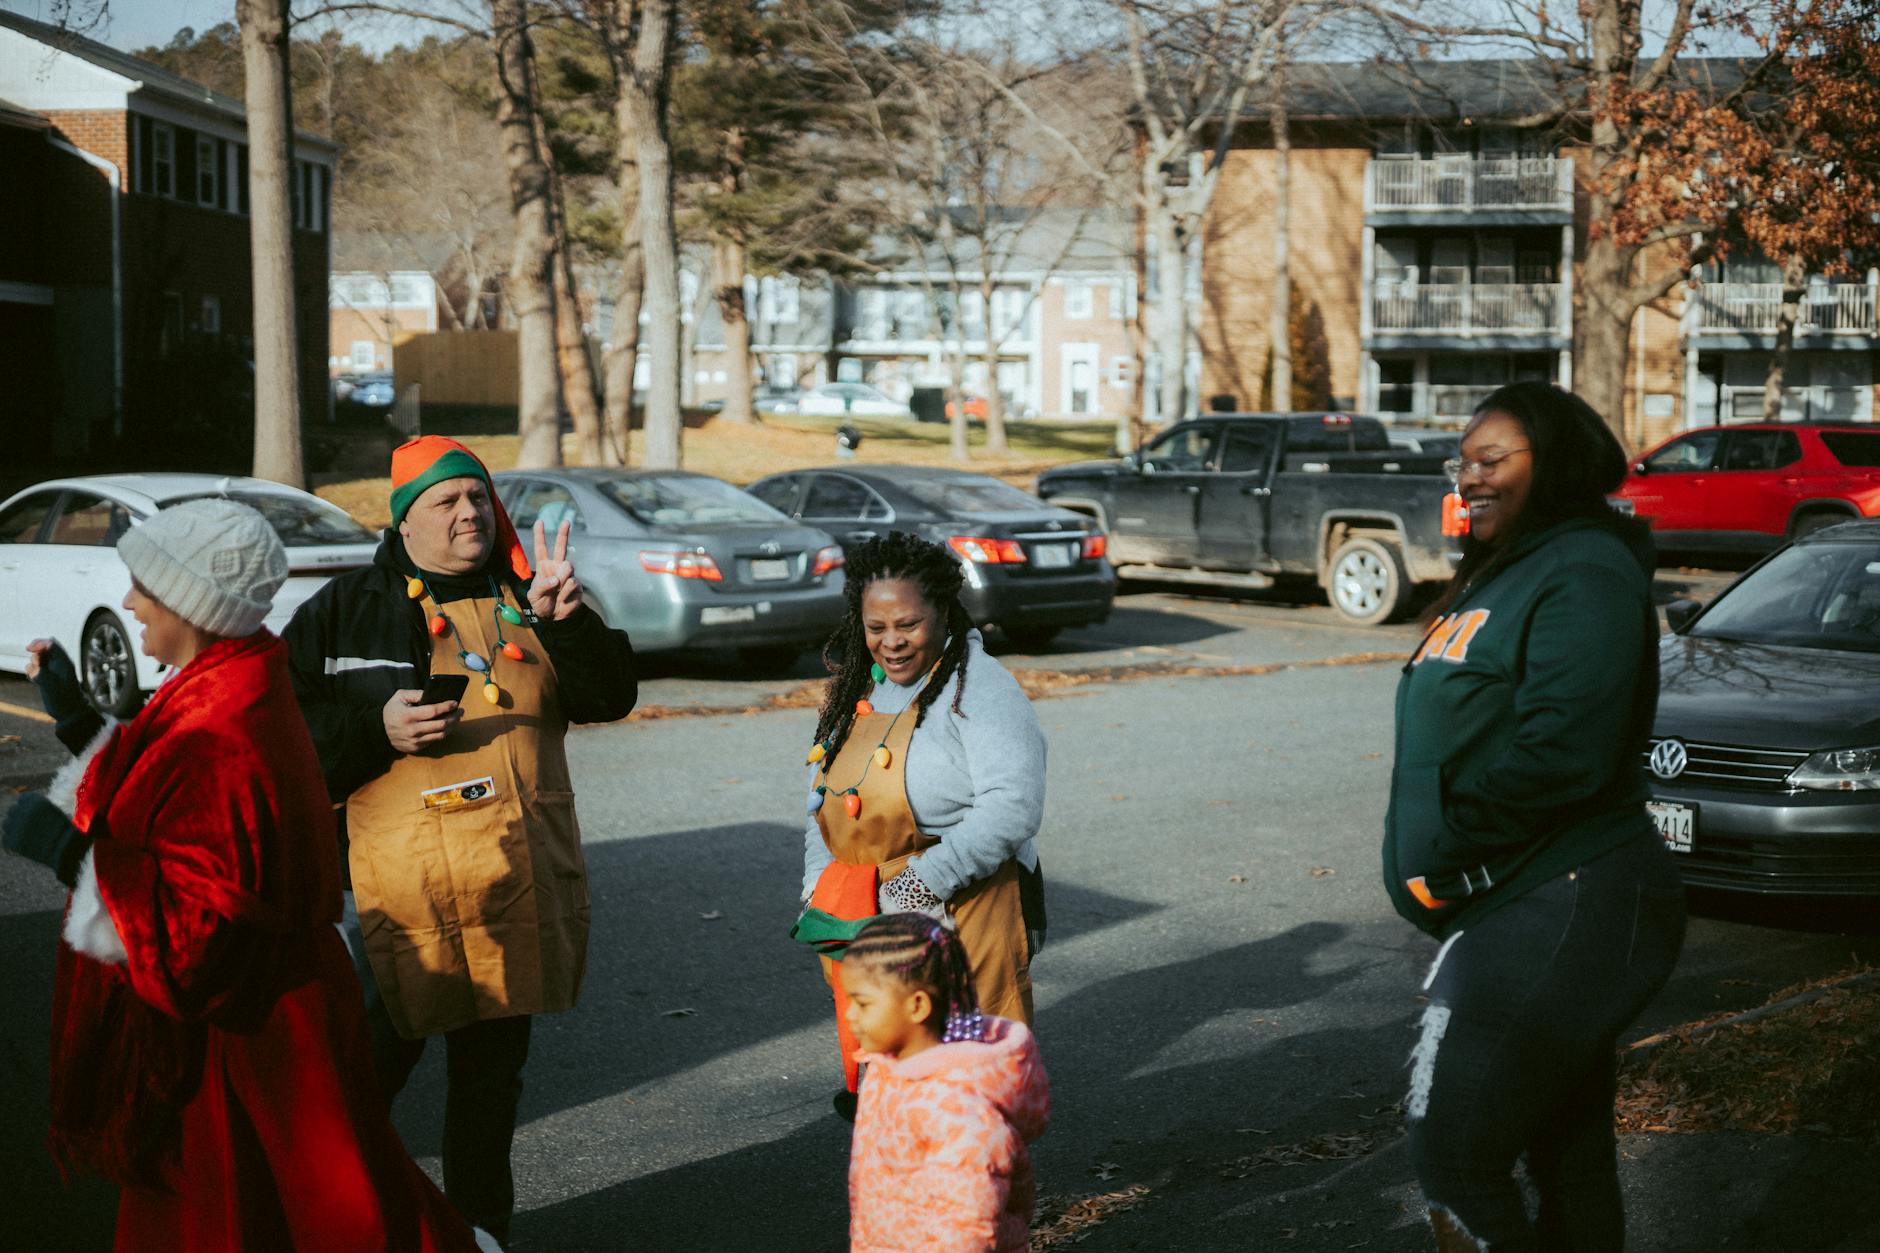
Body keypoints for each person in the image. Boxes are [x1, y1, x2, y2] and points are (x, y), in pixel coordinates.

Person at [0, 499, 481, 1252]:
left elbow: (196, 931)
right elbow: (168, 799)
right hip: (277, 1017)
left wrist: (71, 856)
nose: (128, 602)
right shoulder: (232, 678)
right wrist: (76, 723)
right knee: (336, 1202)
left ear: (192, 605)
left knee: (258, 1218)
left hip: (249, 1041)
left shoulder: (225, 725)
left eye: (143, 586)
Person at [284, 435, 637, 1249]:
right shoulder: (344, 609)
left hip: (513, 883)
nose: (469, 513)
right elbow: (277, 730)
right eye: (446, 502)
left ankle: (482, 1230)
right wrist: (374, 727)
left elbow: (612, 695)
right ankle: (331, 1220)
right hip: (395, 895)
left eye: (478, 497)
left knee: (489, 1088)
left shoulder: (535, 596)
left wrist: (570, 622)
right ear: (404, 521)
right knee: (360, 1079)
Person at [1382, 382, 1686, 1250]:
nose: (1469, 478)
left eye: (1492, 459)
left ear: (1553, 464)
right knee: (1567, 1150)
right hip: (1520, 895)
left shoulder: (1584, 568)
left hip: (1570, 895)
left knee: (1455, 1154)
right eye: (1462, 462)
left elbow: (1567, 749)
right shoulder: (1513, 567)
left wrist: (1448, 839)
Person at [796, 531, 1047, 1117]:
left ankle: (979, 1208)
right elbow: (821, 802)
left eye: (907, 625)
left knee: (966, 1097)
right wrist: (819, 888)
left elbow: (1012, 807)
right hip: (873, 923)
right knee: (895, 1096)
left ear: (944, 613)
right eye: (876, 627)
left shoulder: (979, 690)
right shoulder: (858, 690)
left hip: (967, 915)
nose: (890, 643)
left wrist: (913, 889)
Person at [843, 914, 1050, 1253]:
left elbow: (968, 1227)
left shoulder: (957, 1109)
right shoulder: (889, 1068)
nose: (850, 1014)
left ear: (917, 1005)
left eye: (862, 1002)